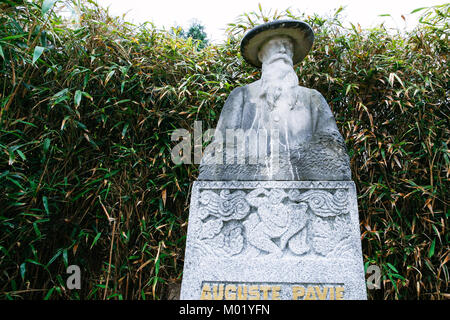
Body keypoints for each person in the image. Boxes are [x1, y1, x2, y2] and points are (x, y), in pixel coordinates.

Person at [199, 20, 351, 181]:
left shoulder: (313, 99)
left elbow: (334, 151)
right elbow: (221, 150)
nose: (283, 49)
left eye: (288, 45)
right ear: (260, 54)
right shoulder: (241, 96)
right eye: (276, 44)